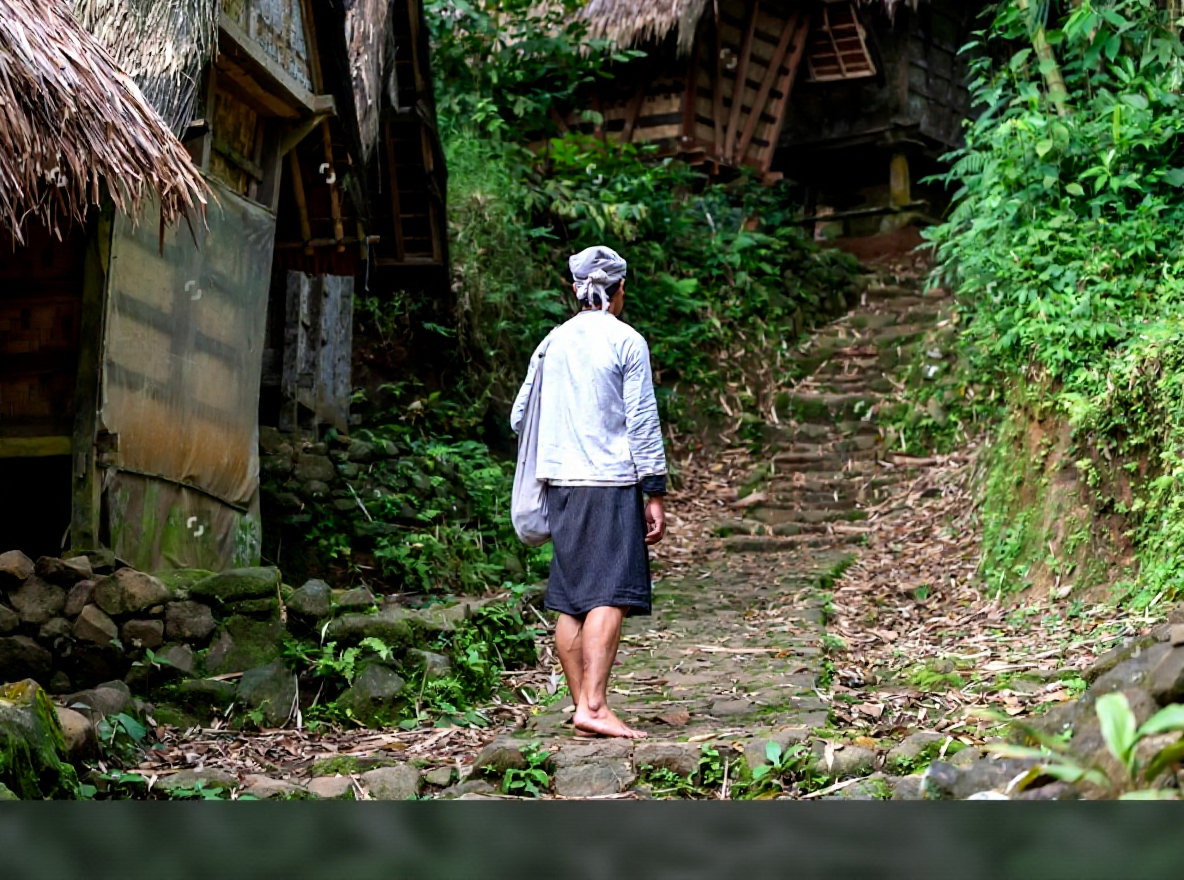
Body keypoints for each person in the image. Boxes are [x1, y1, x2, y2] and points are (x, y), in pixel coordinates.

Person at [510, 245, 667, 739]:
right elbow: (641, 420)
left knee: (571, 599)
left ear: (576, 290)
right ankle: (595, 706)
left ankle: (581, 705)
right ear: (619, 290)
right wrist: (655, 488)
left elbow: (520, 416)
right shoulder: (626, 341)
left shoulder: (551, 343)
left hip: (560, 482)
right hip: (609, 481)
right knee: (608, 593)